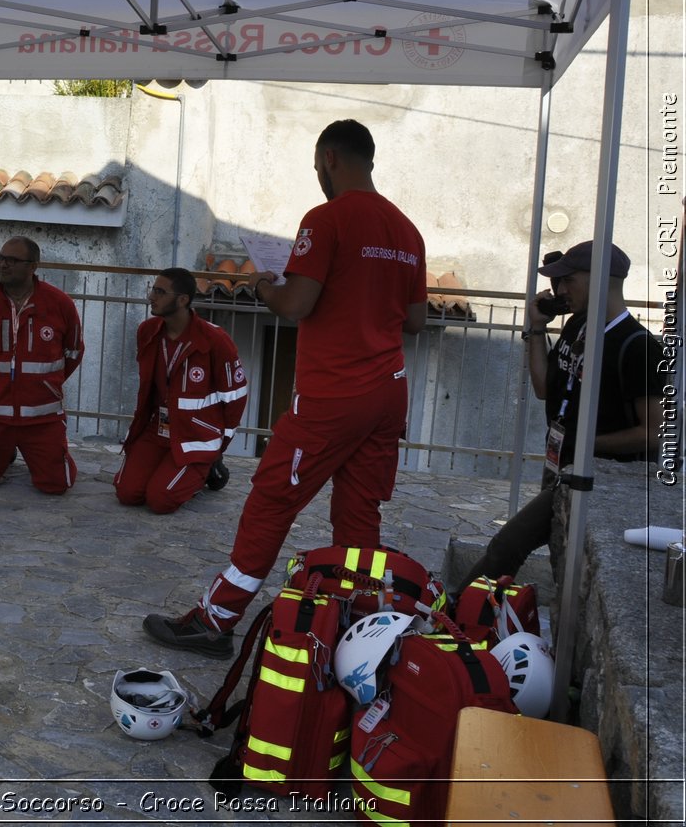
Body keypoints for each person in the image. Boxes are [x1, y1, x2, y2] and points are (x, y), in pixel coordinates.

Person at [144, 119, 427, 660]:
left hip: (333, 393)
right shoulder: (407, 231)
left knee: (272, 499)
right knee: (359, 510)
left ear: (329, 159)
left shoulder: (325, 219)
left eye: (317, 165)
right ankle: (359, 629)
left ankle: (215, 618)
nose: (317, 174)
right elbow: (414, 321)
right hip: (388, 391)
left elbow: (296, 306)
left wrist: (265, 286)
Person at [460, 241, 665, 590]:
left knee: (507, 546)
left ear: (600, 279)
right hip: (563, 470)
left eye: (569, 280)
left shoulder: (639, 347)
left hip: (599, 483)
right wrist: (537, 329)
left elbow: (654, 432)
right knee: (557, 566)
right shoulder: (578, 327)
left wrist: (585, 444)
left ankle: (452, 613)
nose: (562, 290)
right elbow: (544, 387)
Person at [0, 236, 84, 494]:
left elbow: (73, 352)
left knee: (58, 484)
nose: (3, 265)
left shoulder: (60, 305)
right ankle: (4, 451)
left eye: (11, 261)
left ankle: (34, 451)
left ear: (33, 266)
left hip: (42, 418)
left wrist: (47, 384)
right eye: (0, 259)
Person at [113, 268, 248, 513]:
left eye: (160, 292)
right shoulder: (148, 331)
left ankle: (208, 465)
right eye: (153, 289)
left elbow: (236, 396)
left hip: (196, 434)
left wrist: (220, 443)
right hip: (157, 429)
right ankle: (174, 468)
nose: (151, 297)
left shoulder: (215, 340)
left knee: (160, 501)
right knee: (127, 493)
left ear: (183, 300)